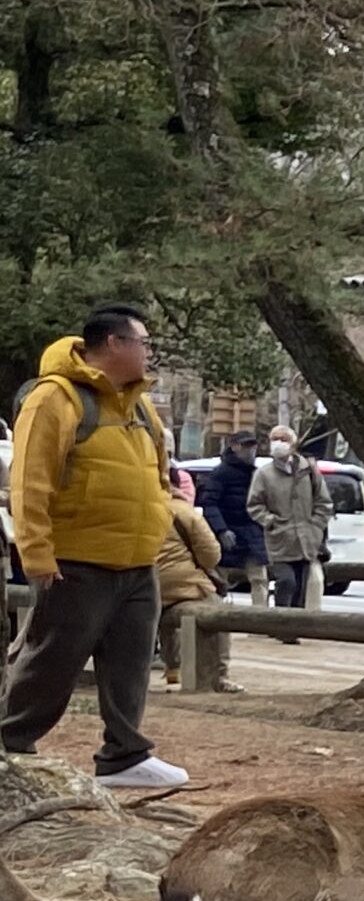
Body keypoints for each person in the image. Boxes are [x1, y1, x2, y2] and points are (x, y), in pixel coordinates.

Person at [1, 305, 189, 787]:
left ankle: (124, 756)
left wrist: (160, 518)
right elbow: (30, 482)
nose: (149, 353)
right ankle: (11, 744)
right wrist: (37, 553)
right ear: (113, 344)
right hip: (77, 561)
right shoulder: (56, 399)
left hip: (137, 559)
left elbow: (159, 473)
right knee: (53, 661)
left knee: (130, 662)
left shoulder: (140, 404)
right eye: (144, 343)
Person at [156, 464, 237, 693]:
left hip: (143, 583)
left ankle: (173, 668)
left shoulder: (138, 508)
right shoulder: (184, 511)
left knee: (165, 614)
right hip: (182, 583)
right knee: (217, 611)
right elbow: (211, 554)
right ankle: (219, 675)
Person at [249, 423, 330, 639]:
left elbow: (324, 502)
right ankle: (281, 623)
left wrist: (316, 526)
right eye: (274, 439)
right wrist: (270, 521)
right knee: (286, 581)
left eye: (283, 439)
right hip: (279, 539)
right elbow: (254, 505)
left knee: (301, 587)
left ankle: (293, 629)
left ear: (293, 443)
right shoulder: (264, 474)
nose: (279, 443)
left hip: (306, 539)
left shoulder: (308, 470)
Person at [203, 428, 267, 603]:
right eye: (246, 446)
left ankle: (260, 622)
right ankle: (214, 614)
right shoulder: (221, 473)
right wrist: (221, 530)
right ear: (235, 447)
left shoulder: (256, 473)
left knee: (259, 578)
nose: (251, 451)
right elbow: (209, 503)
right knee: (219, 578)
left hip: (252, 532)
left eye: (253, 446)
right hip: (229, 532)